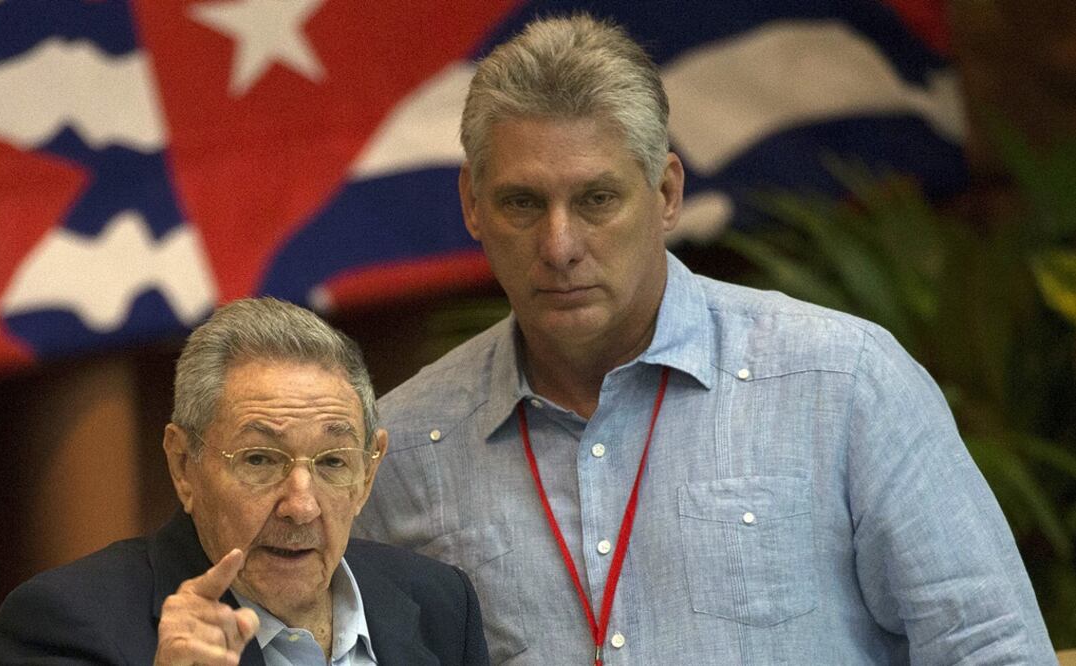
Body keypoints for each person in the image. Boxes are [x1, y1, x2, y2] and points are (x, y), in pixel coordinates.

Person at [352, 13, 1057, 665]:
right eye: (521, 203)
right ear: (473, 206)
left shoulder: (841, 382)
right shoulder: (402, 447)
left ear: (664, 194)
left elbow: (988, 648)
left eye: (596, 199)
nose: (559, 244)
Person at [0, 298, 489, 665]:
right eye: (259, 460)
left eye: (333, 463)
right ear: (184, 465)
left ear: (368, 472)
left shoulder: (441, 603)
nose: (301, 506)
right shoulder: (65, 624)